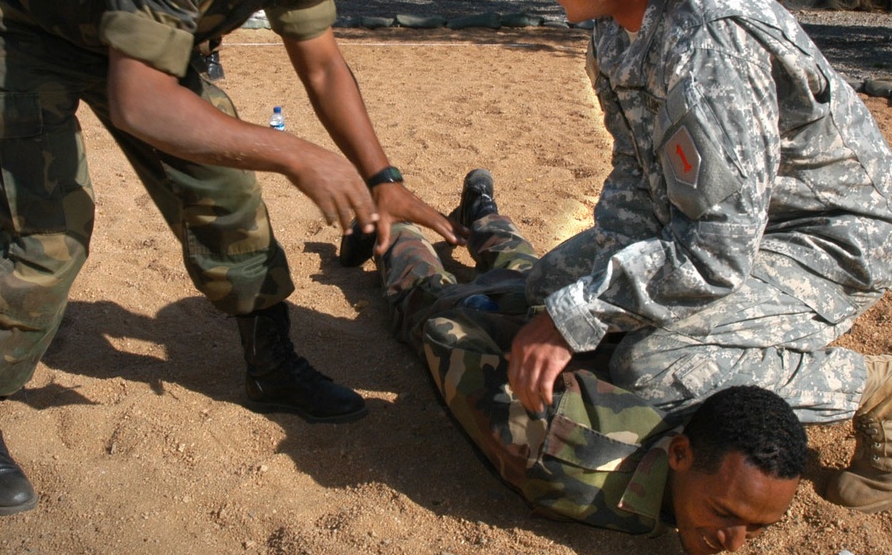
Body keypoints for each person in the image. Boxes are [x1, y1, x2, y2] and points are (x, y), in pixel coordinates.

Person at [0, 0, 458, 517]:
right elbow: (141, 102)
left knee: (228, 190)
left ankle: (271, 367)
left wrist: (381, 175)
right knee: (47, 234)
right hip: (21, 23)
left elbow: (323, 65)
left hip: (127, 33)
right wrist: (297, 154)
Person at [508, 0, 892, 516]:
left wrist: (587, 315)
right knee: (547, 291)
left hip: (825, 238)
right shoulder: (612, 23)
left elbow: (715, 253)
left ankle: (880, 389)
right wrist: (588, 304)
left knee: (650, 369)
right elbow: (633, 165)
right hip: (724, 222)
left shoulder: (710, 43)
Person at [346, 170, 807, 552]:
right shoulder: (566, 465)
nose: (735, 545)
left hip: (563, 321)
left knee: (519, 262)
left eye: (758, 527)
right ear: (679, 452)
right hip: (499, 327)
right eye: (724, 515)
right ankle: (390, 220)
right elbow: (448, 341)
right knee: (420, 293)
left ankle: (481, 205)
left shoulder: (711, 427)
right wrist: (455, 312)